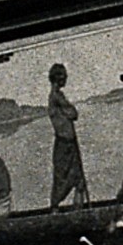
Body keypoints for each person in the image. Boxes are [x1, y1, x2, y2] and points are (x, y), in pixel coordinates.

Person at [45, 63, 89, 207]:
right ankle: (55, 211)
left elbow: (72, 114)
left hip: (69, 143)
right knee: (61, 181)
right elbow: (74, 114)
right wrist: (69, 110)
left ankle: (79, 211)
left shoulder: (59, 96)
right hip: (64, 145)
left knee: (79, 180)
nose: (66, 79)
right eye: (63, 76)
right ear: (56, 78)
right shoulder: (55, 97)